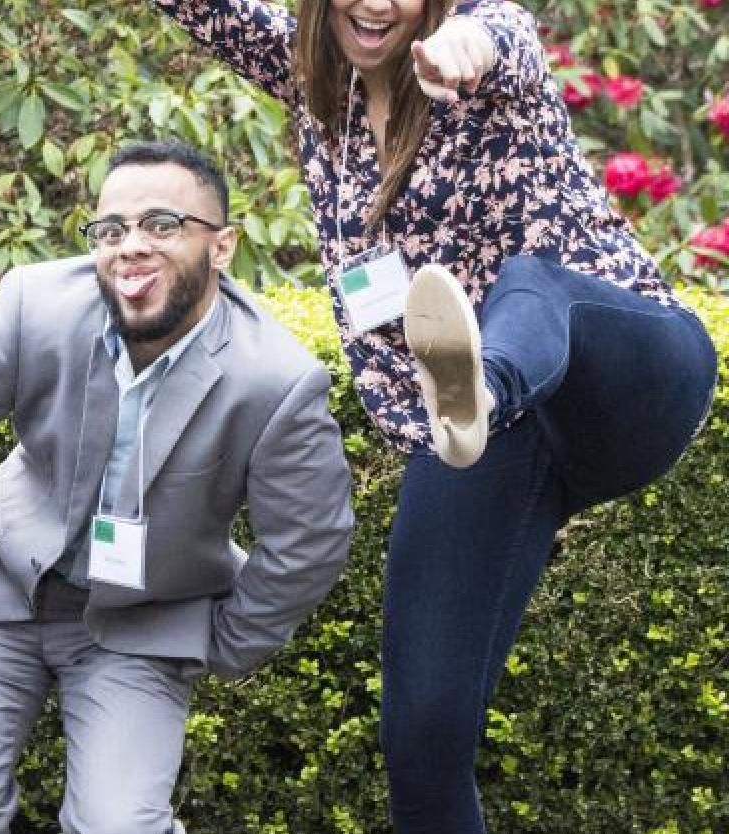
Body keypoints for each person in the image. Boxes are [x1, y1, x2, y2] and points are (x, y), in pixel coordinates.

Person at [146, 1, 720, 830]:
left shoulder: (483, 68)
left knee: (534, 281)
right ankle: (473, 400)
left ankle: (484, 380)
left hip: (627, 374)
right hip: (480, 442)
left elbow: (505, 38)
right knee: (422, 735)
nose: (376, 4)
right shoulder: (322, 86)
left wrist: (459, 50)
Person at [0, 140, 354, 834]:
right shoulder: (36, 307)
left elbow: (310, 541)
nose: (130, 246)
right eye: (112, 229)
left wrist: (225, 640)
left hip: (139, 624)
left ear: (221, 247)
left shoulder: (276, 380)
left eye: (163, 225)